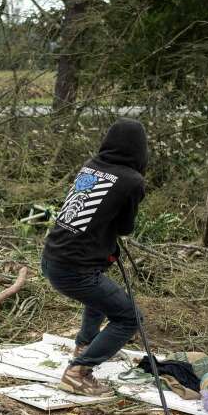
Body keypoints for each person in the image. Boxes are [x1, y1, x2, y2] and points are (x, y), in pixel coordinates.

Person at [41, 118, 148, 395]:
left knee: (100, 298)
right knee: (129, 318)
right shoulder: (132, 180)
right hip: (74, 269)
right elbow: (125, 228)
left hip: (53, 258)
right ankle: (78, 372)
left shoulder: (90, 166)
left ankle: (85, 345)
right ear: (140, 150)